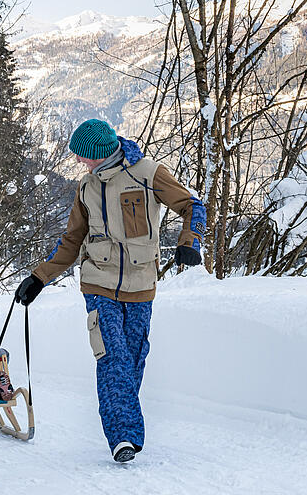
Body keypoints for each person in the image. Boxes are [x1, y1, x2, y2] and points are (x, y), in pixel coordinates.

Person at [14, 119, 205, 463]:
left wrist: (190, 241)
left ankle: (125, 427)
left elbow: (193, 205)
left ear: (99, 154)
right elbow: (72, 240)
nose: (78, 162)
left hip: (141, 285)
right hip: (98, 283)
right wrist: (39, 278)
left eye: (81, 156)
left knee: (133, 358)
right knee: (112, 356)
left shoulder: (147, 174)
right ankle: (123, 438)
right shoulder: (86, 188)